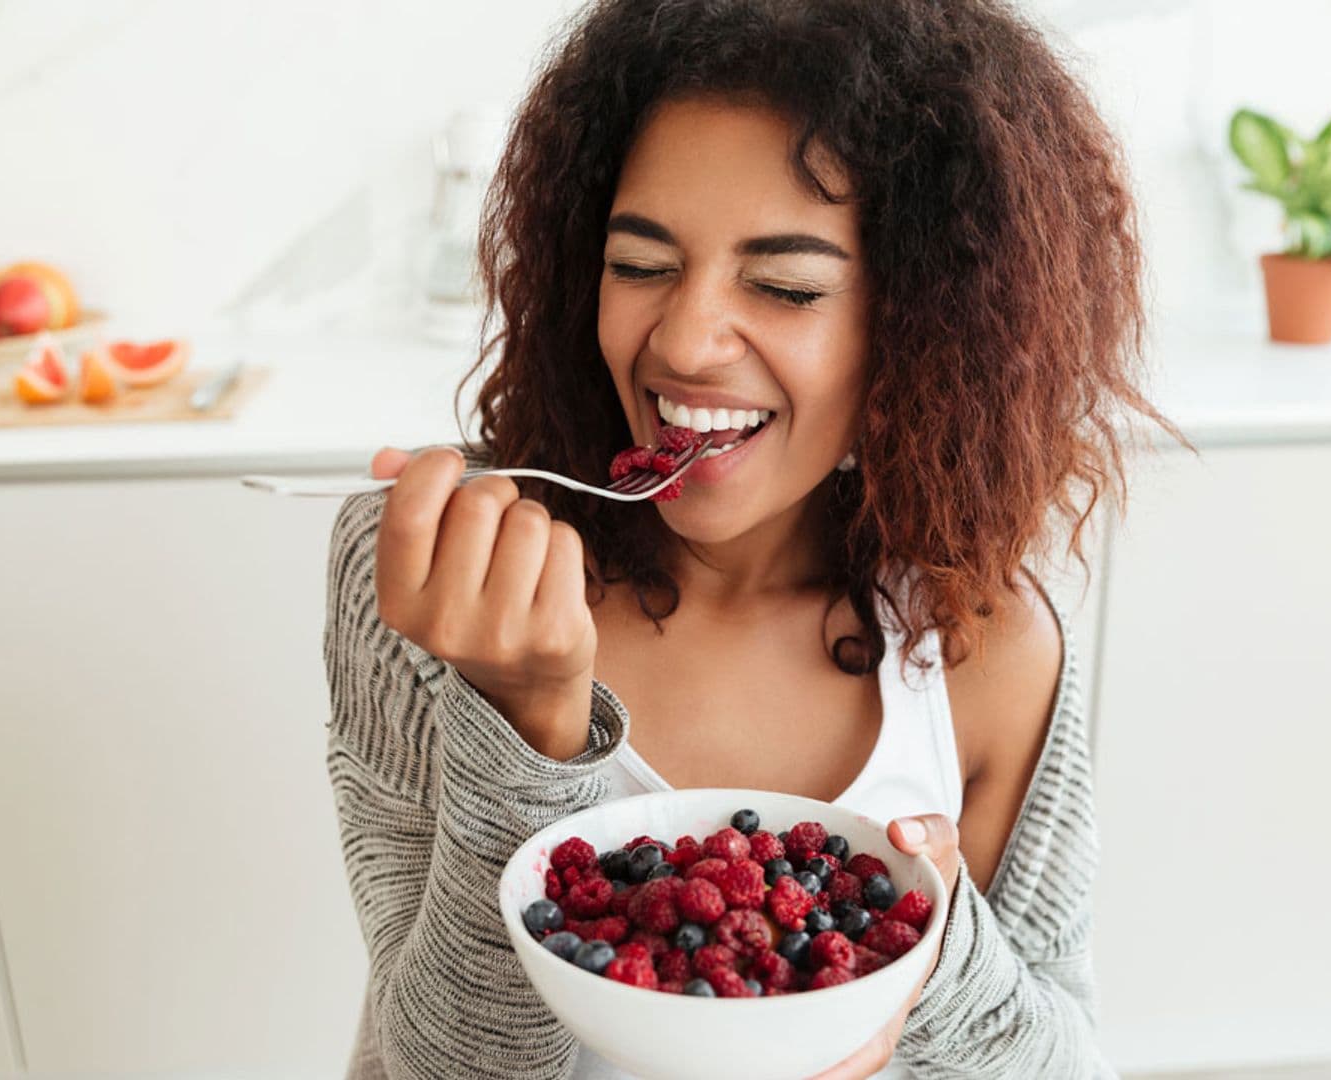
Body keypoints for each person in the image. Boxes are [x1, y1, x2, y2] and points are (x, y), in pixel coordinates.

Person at [324, 1, 1183, 1076]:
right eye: (639, 265)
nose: (682, 340)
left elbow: (1068, 1060)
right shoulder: (438, 581)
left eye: (785, 286)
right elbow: (439, 1067)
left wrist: (936, 954)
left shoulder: (982, 638)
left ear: (922, 323)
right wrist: (529, 727)